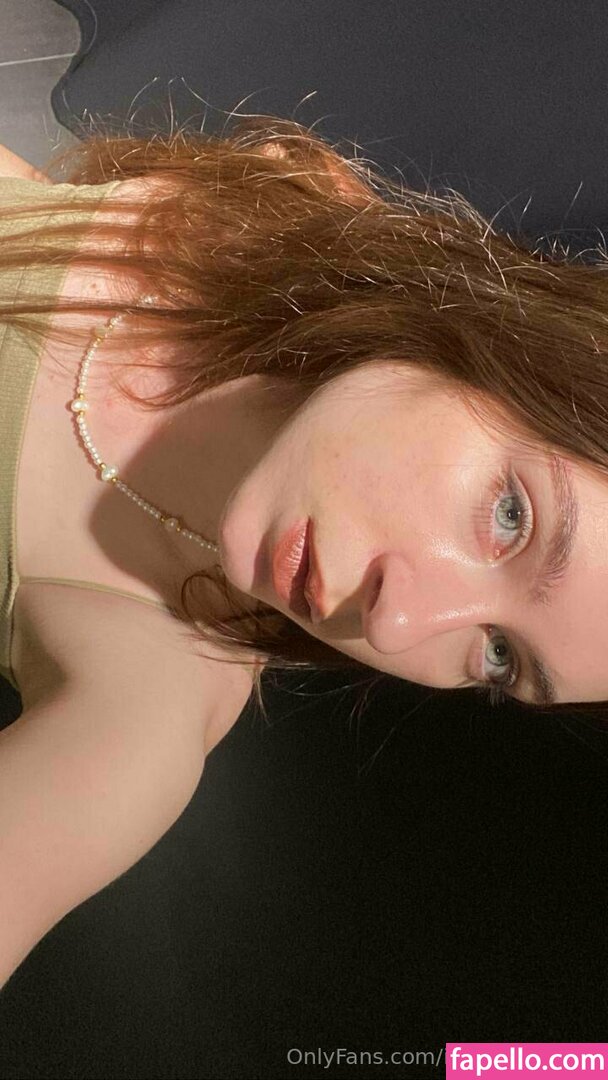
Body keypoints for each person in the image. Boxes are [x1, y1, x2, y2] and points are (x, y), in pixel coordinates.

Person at [0, 112, 607, 989]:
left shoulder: (137, 720)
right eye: (512, 517)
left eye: (499, 657)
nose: (396, 625)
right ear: (508, 346)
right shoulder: (289, 212)